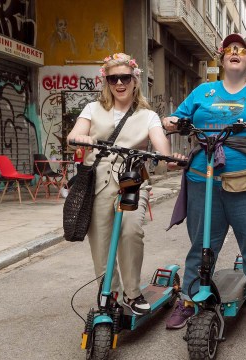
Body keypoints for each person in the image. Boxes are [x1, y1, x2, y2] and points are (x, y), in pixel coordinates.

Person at [161, 33, 246, 333]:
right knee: (202, 244)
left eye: (242, 51)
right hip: (201, 179)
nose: (235, 53)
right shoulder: (202, 92)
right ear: (222, 59)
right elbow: (175, 119)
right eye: (230, 50)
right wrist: (170, 122)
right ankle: (190, 299)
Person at [67, 53, 184, 315]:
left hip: (132, 180)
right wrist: (79, 138)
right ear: (106, 82)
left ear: (135, 80)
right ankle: (109, 292)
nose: (119, 83)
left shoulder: (148, 116)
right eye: (113, 78)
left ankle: (132, 293)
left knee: (131, 232)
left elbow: (161, 146)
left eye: (125, 77)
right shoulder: (92, 109)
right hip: (97, 181)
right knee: (100, 241)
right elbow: (74, 134)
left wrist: (170, 157)